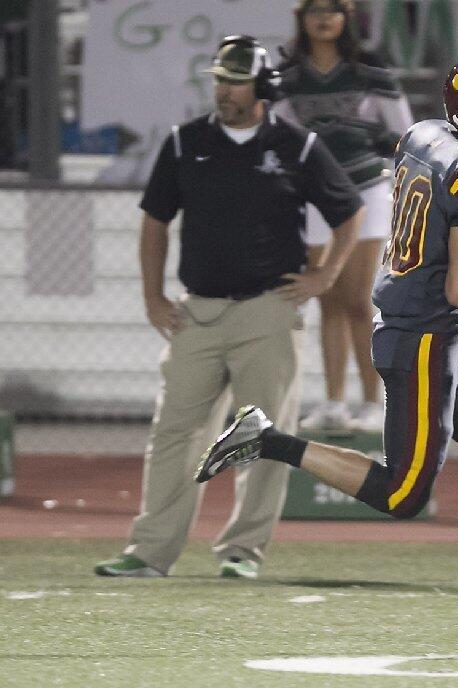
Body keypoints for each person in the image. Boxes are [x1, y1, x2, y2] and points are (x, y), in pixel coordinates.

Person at [194, 49, 458, 649]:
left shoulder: (427, 136)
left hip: (431, 330)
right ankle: (267, 439)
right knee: (404, 494)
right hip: (423, 339)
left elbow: (433, 223)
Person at [94, 36, 364, 579]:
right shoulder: (183, 143)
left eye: (235, 80)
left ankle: (242, 550)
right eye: (219, 78)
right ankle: (150, 551)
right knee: (174, 432)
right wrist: (151, 295)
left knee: (264, 436)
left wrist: (326, 276)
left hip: (268, 309)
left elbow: (348, 212)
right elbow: (154, 221)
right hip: (197, 312)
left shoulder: (298, 146)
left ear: (262, 87)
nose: (223, 90)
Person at [275, 0, 414, 433]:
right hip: (314, 195)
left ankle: (373, 403)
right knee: (327, 299)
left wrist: (360, 135)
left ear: (347, 18)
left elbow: (404, 134)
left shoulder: (371, 72)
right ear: (302, 17)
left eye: (333, 9)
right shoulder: (289, 77)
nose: (324, 18)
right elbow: (277, 135)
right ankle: (334, 401)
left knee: (357, 298)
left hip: (366, 193)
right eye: (315, 9)